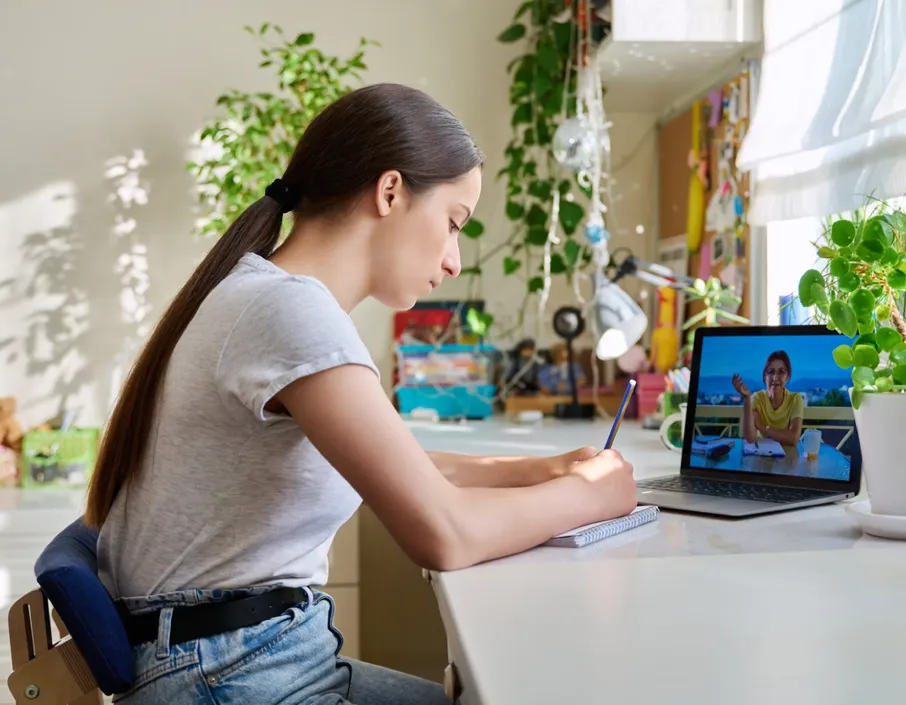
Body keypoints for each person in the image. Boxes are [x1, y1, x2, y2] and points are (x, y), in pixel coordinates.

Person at [84, 83, 636, 705]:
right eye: (453, 224)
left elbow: (393, 466)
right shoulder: (290, 311)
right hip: (228, 674)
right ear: (391, 191)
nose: (454, 260)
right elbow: (444, 535)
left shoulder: (267, 293)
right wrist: (591, 496)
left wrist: (545, 468)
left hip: (237, 657)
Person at [731, 350, 804, 446]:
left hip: (788, 457)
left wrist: (763, 427)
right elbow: (750, 438)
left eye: (781, 372)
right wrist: (747, 398)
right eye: (771, 372)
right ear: (765, 377)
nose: (775, 377)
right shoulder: (757, 398)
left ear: (787, 376)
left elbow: (793, 438)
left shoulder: (795, 399)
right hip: (762, 457)